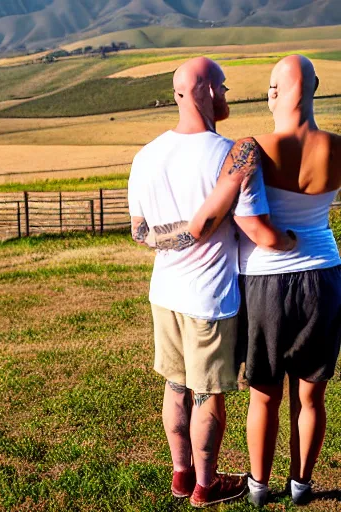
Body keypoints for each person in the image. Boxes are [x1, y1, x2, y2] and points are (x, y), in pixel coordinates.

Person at [128, 57, 291, 508]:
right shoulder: (229, 156)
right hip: (209, 296)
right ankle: (206, 482)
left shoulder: (146, 155)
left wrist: (174, 238)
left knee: (174, 387)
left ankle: (181, 476)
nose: (227, 93)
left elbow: (140, 232)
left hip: (164, 293)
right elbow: (251, 224)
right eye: (221, 86)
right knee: (208, 395)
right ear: (202, 92)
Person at [184, 55, 341, 506]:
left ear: (274, 92)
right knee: (311, 397)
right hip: (324, 278)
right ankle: (302, 485)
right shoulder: (337, 148)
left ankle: (257, 486)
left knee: (264, 396)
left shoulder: (250, 147)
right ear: (315, 88)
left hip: (265, 282)